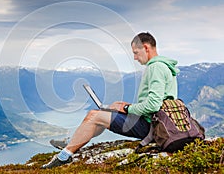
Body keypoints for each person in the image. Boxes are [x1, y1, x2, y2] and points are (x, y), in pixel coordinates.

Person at [41, 32, 179, 169]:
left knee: (95, 116)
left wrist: (127, 109)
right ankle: (73, 143)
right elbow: (158, 102)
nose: (135, 58)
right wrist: (128, 106)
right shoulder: (163, 66)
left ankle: (64, 156)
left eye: (136, 52)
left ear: (146, 48)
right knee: (95, 114)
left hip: (151, 126)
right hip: (154, 121)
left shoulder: (156, 67)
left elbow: (154, 105)